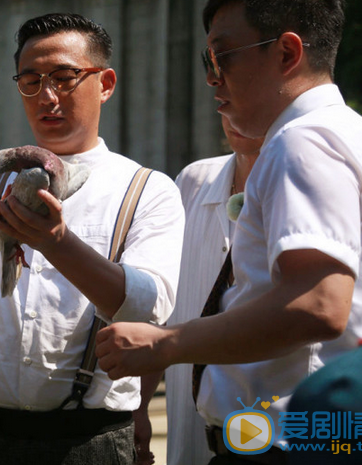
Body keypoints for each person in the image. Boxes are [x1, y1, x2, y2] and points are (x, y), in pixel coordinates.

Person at [95, 0, 362, 464]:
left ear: (287, 53)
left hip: (288, 443)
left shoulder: (304, 141)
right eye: (207, 62)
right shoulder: (349, 133)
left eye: (223, 57)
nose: (212, 79)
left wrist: (167, 343)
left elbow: (318, 305)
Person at [0, 13, 185, 464]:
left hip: (88, 438)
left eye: (65, 78)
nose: (47, 96)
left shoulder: (146, 188)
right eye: (30, 80)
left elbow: (147, 306)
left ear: (105, 83)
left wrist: (56, 242)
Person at [133, 116, 263, 465]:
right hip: (188, 434)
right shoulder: (193, 182)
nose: (236, 109)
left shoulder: (312, 185)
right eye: (223, 94)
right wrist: (139, 407)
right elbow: (162, 310)